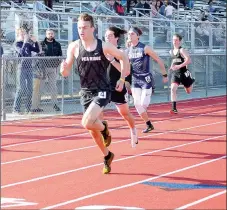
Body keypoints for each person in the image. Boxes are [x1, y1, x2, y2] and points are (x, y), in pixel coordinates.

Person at [60, 13, 129, 174]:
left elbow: (124, 56)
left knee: (86, 122)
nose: (81, 30)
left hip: (103, 90)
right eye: (79, 28)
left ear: (93, 28)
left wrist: (122, 78)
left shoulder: (103, 46)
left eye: (84, 27)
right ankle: (107, 155)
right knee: (92, 130)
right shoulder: (74, 47)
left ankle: (104, 127)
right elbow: (66, 72)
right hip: (85, 92)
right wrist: (62, 69)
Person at [127, 27, 168, 133]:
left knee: (143, 105)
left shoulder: (145, 48)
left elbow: (159, 60)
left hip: (146, 79)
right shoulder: (127, 50)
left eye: (132, 34)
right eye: (128, 34)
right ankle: (149, 124)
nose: (129, 36)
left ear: (138, 36)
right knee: (137, 104)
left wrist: (164, 74)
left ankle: (147, 121)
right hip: (135, 79)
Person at [104, 26, 138, 148]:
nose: (107, 38)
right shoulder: (102, 51)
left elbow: (127, 71)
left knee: (125, 114)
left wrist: (112, 60)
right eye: (106, 36)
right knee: (96, 109)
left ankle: (133, 130)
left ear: (117, 38)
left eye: (110, 36)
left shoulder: (121, 52)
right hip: (103, 86)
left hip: (118, 85)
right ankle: (104, 130)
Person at [13, 28, 40, 114]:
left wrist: (36, 42)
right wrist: (24, 42)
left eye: (24, 33)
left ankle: (27, 108)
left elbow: (37, 50)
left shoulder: (28, 44)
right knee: (21, 88)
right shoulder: (17, 44)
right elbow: (21, 52)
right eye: (21, 34)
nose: (24, 35)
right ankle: (16, 108)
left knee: (30, 89)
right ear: (18, 35)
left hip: (29, 68)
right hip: (21, 68)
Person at [169, 34, 195, 114]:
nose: (174, 42)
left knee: (188, 91)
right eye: (173, 40)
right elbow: (174, 60)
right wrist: (171, 66)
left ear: (180, 41)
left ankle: (190, 80)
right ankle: (174, 108)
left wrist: (180, 66)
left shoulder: (182, 50)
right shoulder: (171, 51)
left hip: (184, 73)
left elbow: (188, 60)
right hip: (176, 73)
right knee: (173, 89)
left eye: (176, 40)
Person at [39, 29, 62, 112]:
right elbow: (38, 55)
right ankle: (37, 105)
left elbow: (60, 55)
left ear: (54, 34)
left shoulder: (57, 44)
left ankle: (55, 105)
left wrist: (57, 64)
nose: (50, 35)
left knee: (53, 87)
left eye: (52, 33)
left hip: (53, 68)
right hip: (43, 68)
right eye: (49, 34)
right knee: (40, 87)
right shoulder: (41, 44)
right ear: (46, 34)